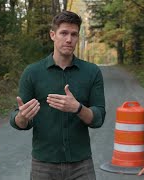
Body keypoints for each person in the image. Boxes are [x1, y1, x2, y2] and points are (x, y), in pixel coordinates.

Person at [9, 11, 106, 180]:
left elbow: (98, 118)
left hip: (81, 164)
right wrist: (22, 117)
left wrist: (77, 108)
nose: (69, 39)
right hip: (43, 165)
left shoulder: (92, 72)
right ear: (53, 35)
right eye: (64, 33)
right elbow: (19, 121)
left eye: (74, 34)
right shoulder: (32, 73)